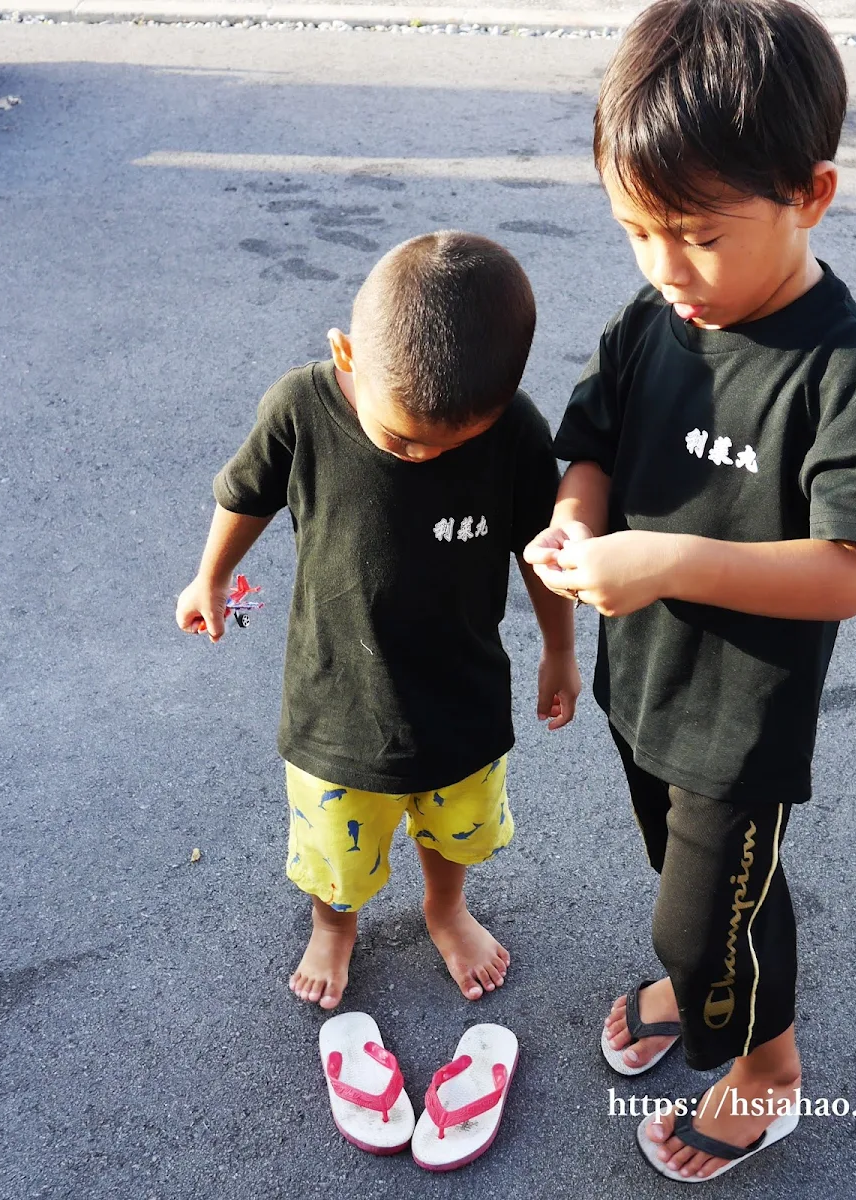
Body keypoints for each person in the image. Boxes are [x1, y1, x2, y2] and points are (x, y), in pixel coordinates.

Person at [524, 0, 856, 1181]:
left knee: (712, 911)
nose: (664, 267)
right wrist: (577, 520)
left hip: (742, 728)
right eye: (636, 230)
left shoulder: (846, 376)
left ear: (812, 193)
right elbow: (588, 441)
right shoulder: (656, 320)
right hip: (642, 685)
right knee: (690, 889)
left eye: (695, 232)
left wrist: (667, 562)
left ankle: (768, 1074)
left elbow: (849, 572)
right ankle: (698, 974)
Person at [177, 231, 580, 1011]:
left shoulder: (515, 432)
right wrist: (211, 576)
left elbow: (540, 551)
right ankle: (334, 926)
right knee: (338, 847)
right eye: (401, 438)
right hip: (338, 693)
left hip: (460, 692)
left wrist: (558, 650)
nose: (423, 458)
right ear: (347, 354)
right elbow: (246, 493)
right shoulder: (301, 407)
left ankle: (444, 908)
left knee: (454, 823)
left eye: (449, 445)